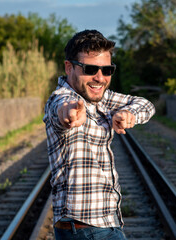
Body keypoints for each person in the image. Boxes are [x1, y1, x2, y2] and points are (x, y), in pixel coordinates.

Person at [43, 29, 155, 240]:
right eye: (91, 69)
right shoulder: (61, 98)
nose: (100, 78)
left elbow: (146, 104)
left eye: (107, 70)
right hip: (87, 229)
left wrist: (129, 113)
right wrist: (69, 114)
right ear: (69, 68)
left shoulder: (101, 97)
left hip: (101, 224)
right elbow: (61, 109)